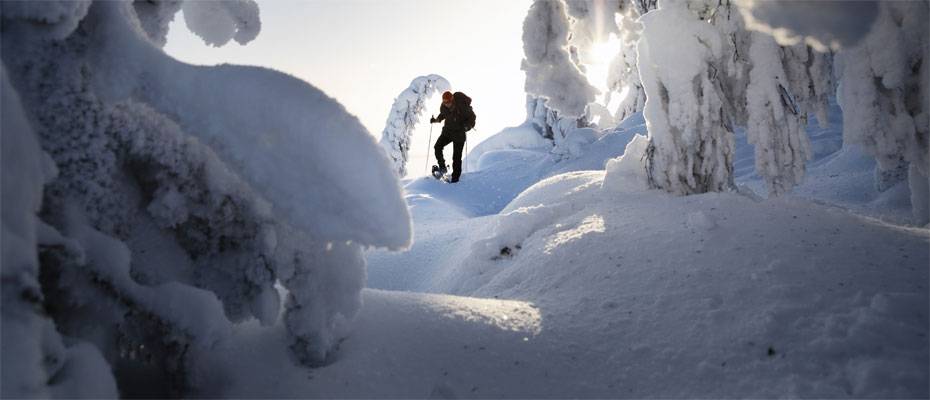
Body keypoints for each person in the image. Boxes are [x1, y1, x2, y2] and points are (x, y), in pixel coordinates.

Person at [430, 91, 475, 183]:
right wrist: (436, 120)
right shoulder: (443, 106)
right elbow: (443, 114)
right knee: (437, 147)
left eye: (448, 102)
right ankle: (442, 168)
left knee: (456, 158)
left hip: (459, 134)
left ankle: (455, 179)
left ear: (452, 100)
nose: (447, 104)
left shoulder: (462, 107)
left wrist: (467, 126)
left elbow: (472, 117)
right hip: (448, 132)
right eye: (445, 102)